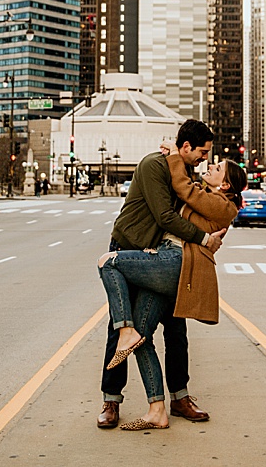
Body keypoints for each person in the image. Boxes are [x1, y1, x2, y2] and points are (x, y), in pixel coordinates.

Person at [97, 149, 246, 431]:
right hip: (151, 253)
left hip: (176, 266)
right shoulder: (184, 181)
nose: (206, 161)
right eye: (203, 153)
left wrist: (175, 157)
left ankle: (179, 397)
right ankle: (124, 402)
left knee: (174, 332)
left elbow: (185, 192)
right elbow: (172, 206)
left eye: (214, 163)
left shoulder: (219, 203)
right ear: (187, 147)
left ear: (225, 184)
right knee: (130, 334)